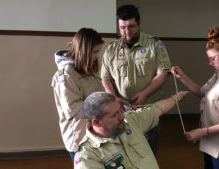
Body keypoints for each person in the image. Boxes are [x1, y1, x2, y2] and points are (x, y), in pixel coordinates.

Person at [101, 4, 171, 155]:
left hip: (148, 109)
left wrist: (145, 93)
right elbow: (105, 78)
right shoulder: (112, 49)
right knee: (124, 153)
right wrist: (113, 98)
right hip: (122, 112)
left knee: (147, 153)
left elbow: (163, 74)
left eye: (131, 27)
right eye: (122, 27)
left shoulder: (155, 45)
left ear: (139, 23)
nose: (126, 32)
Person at [172, 26, 219, 169]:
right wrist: (182, 77)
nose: (210, 63)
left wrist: (202, 132)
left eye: (212, 59)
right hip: (210, 142)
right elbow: (201, 92)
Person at [74, 91, 189, 169]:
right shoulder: (87, 156)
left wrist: (177, 97)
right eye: (114, 115)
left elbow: (157, 109)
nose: (122, 116)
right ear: (96, 122)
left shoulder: (129, 121)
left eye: (120, 110)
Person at [51, 28, 104, 162]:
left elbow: (97, 94)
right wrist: (106, 108)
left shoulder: (86, 69)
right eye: (95, 52)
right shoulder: (66, 75)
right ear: (84, 51)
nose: (97, 56)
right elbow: (74, 110)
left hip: (94, 135)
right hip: (80, 139)